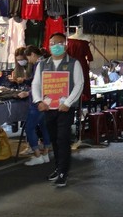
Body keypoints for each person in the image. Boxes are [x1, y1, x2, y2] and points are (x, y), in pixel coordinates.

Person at [32, 33, 84, 187]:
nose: (56, 46)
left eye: (59, 43)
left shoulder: (74, 63)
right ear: (48, 45)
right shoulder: (42, 64)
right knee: (54, 139)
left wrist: (68, 102)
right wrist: (38, 101)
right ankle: (58, 168)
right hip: (49, 108)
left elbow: (79, 84)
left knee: (63, 139)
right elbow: (35, 84)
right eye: (53, 43)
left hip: (65, 109)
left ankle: (63, 172)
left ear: (65, 45)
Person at [19, 45, 51, 166]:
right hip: (46, 100)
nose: (28, 61)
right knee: (44, 127)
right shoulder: (46, 62)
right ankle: (46, 154)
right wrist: (26, 81)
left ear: (32, 54)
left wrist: (27, 92)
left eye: (28, 58)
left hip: (37, 101)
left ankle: (38, 155)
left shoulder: (39, 65)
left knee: (29, 127)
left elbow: (40, 85)